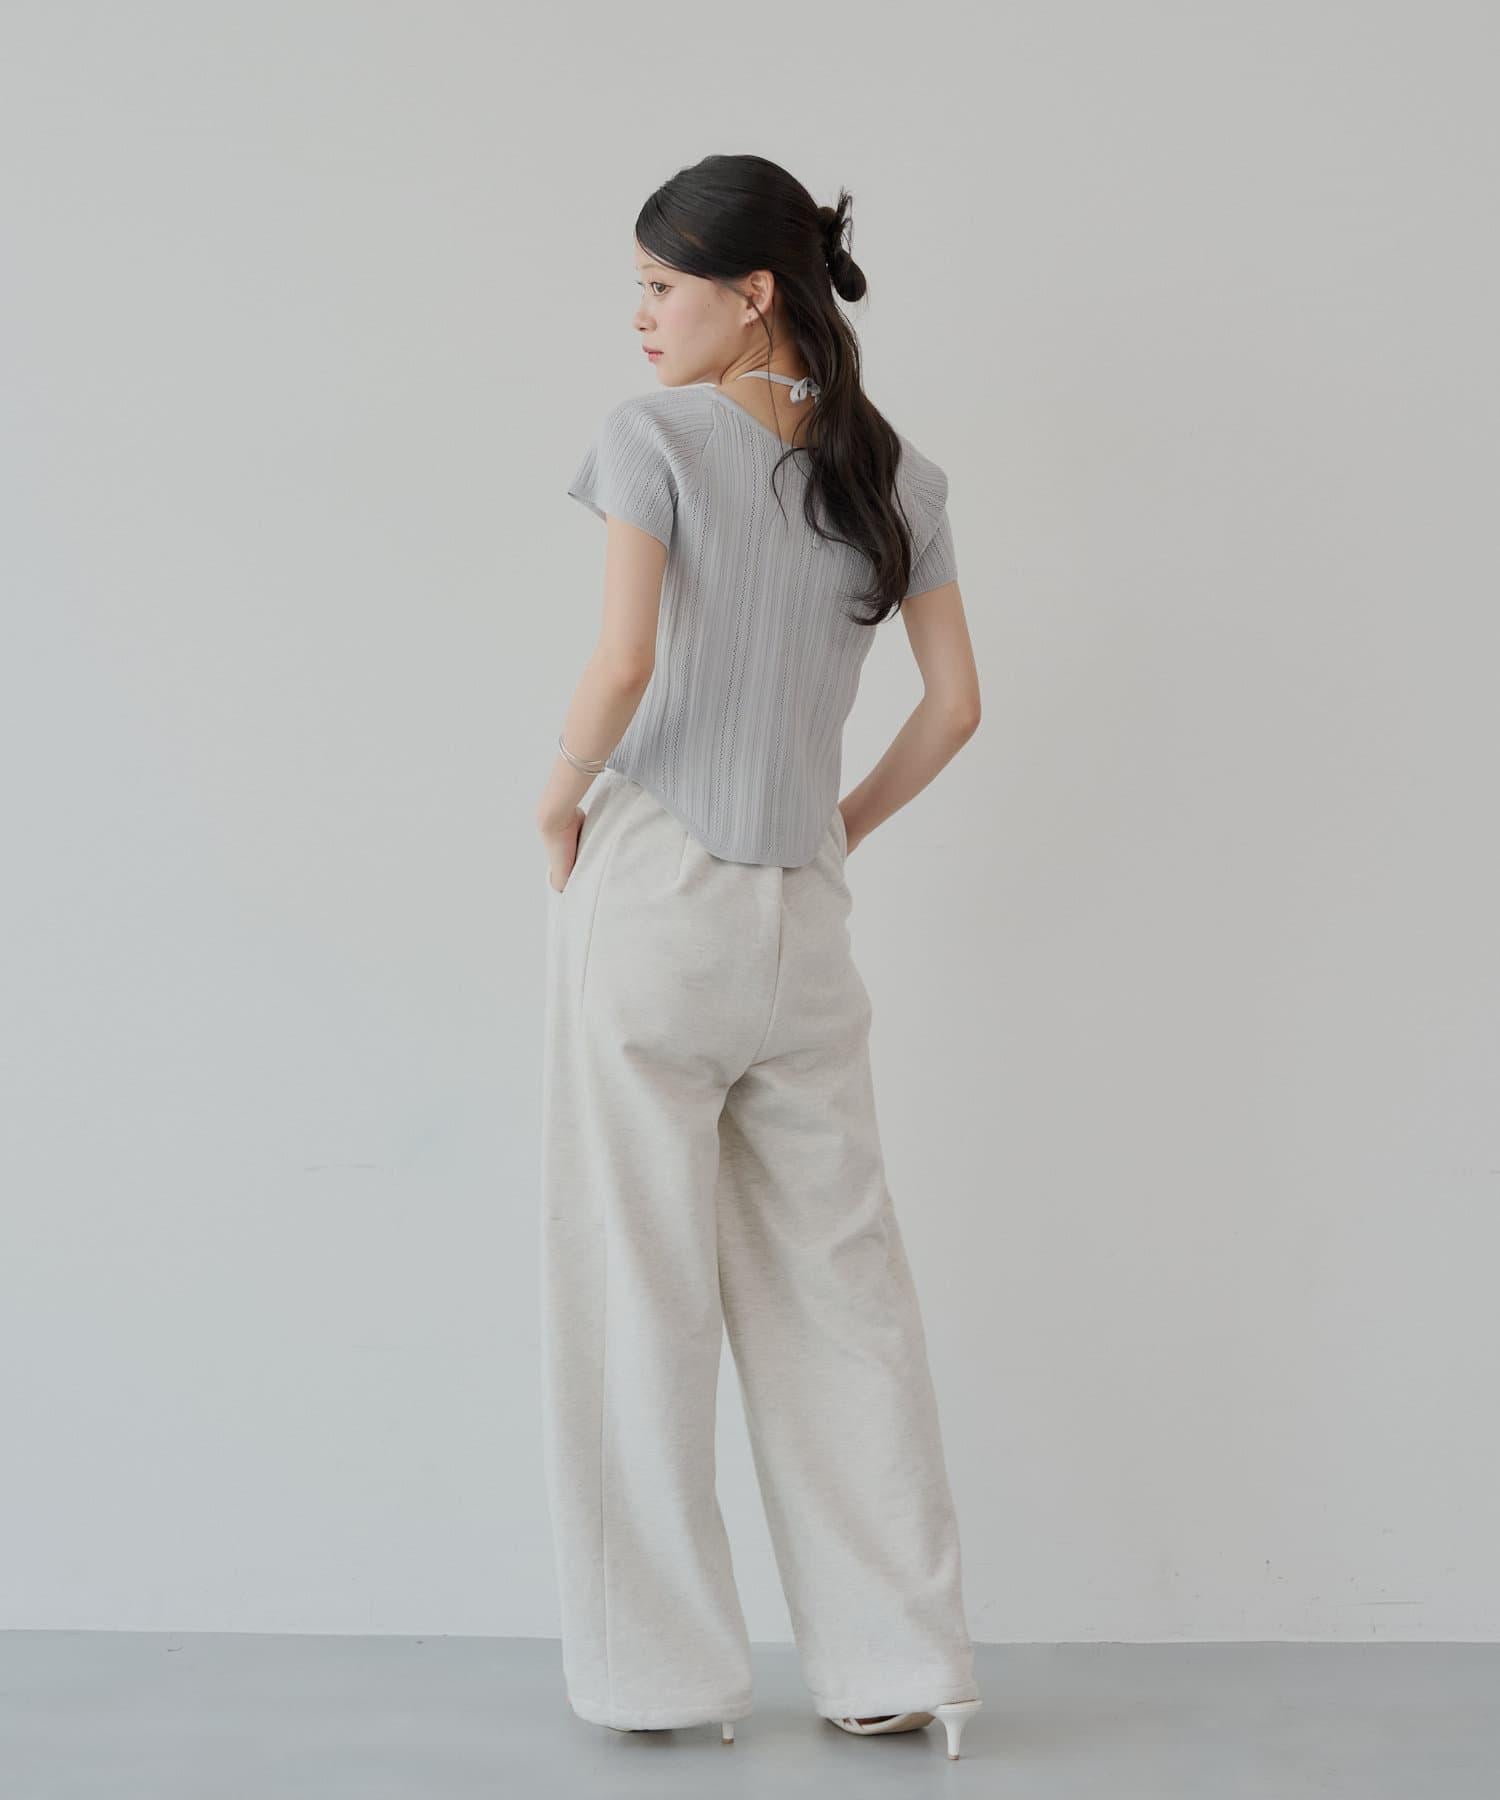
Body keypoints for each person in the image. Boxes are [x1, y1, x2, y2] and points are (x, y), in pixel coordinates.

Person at [535, 154, 985, 1763]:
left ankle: (660, 1680)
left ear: (754, 293)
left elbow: (623, 661)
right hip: (806, 912)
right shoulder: (899, 475)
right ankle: (898, 1662)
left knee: (636, 1283)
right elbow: (956, 708)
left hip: (660, 884)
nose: (641, 316)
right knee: (842, 1291)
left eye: (662, 285)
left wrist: (555, 796)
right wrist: (836, 825)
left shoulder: (651, 439)